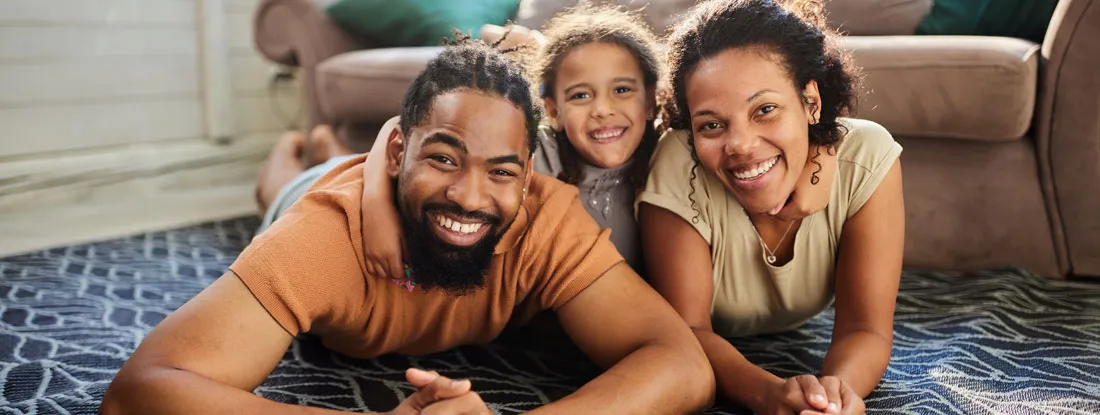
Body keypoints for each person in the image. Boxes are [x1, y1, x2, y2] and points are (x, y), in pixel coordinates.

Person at [99, 41, 714, 414]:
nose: (471, 196)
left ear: (526, 175)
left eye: (500, 171)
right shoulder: (320, 236)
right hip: (303, 198)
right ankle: (297, 156)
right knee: (279, 187)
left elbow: (683, 366)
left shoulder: (547, 216)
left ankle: (323, 145)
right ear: (397, 154)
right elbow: (139, 392)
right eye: (444, 158)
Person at [354, 5, 837, 285]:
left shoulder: (679, 150)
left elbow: (796, 121)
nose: (604, 110)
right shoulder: (537, 153)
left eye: (622, 91)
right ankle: (297, 161)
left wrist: (823, 159)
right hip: (356, 180)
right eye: (582, 97)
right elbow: (403, 127)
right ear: (556, 111)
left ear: (653, 101)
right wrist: (376, 204)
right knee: (319, 179)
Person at [637, 0, 905, 414]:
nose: (740, 144)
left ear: (811, 102)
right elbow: (687, 331)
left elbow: (864, 328)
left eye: (764, 109)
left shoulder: (866, 157)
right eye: (711, 124)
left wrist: (832, 397)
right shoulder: (679, 163)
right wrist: (770, 395)